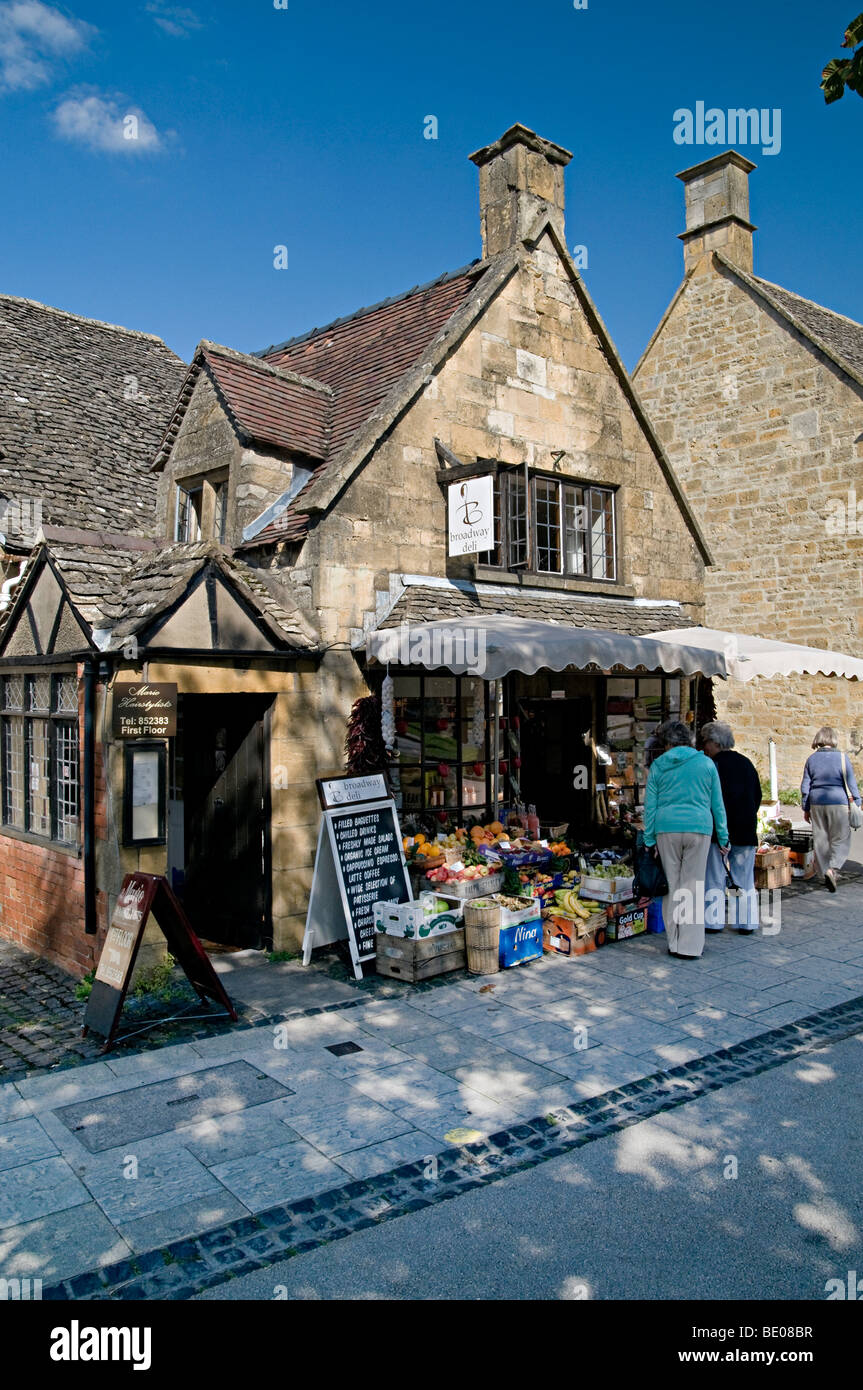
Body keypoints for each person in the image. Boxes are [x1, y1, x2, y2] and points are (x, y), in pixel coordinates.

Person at [643, 720, 730, 959]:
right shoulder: (706, 763)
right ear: (690, 741)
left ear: (668, 743)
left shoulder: (659, 765)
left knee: (671, 886)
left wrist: (649, 839)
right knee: (692, 886)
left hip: (666, 828)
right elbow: (717, 805)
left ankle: (674, 942)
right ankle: (690, 946)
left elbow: (650, 806)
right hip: (699, 828)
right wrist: (723, 837)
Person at [700, 721, 763, 933]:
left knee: (715, 875)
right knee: (742, 878)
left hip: (719, 830)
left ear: (714, 742)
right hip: (745, 828)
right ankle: (745, 921)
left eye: (706, 742)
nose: (704, 747)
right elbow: (757, 796)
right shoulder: (746, 763)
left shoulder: (712, 766)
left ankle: (714, 921)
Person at [801, 727, 861, 891]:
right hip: (838, 802)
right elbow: (851, 783)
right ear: (833, 739)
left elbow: (805, 787)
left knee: (821, 839)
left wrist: (806, 808)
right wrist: (857, 802)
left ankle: (823, 873)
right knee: (840, 837)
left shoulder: (811, 759)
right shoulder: (842, 758)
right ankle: (832, 868)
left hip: (816, 802)